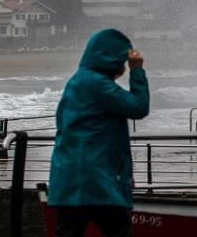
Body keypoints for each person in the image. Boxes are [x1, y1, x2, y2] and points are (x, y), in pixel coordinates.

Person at [48, 28, 149, 237]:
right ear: (110, 60)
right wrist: (137, 70)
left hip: (68, 180)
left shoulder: (77, 82)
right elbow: (139, 107)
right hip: (95, 182)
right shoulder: (99, 85)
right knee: (119, 231)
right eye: (121, 61)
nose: (122, 67)